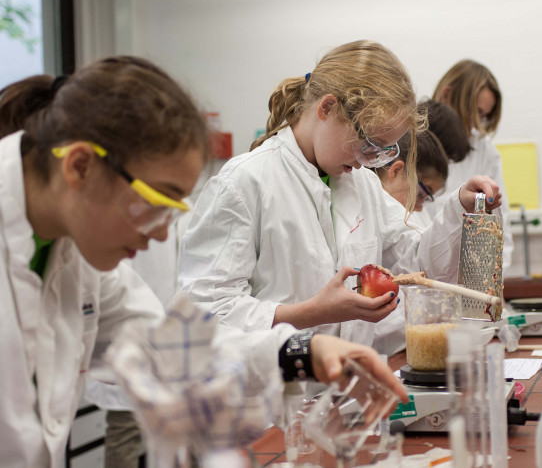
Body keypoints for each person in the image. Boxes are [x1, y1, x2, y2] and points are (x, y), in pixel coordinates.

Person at [0, 56, 407, 467]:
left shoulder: (77, 253)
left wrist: (302, 352)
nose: (162, 235)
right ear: (80, 166)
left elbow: (172, 347)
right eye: (156, 203)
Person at [177, 40, 502, 353]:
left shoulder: (361, 185)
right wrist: (311, 313)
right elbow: (203, 314)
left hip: (347, 390)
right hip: (278, 395)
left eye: (382, 151)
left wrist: (458, 205)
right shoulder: (246, 182)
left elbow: (415, 267)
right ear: (328, 107)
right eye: (368, 143)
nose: (367, 160)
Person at [425, 59, 515, 272]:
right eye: (474, 112)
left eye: (483, 117)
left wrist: (496, 281)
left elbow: (500, 225)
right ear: (446, 95)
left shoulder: (483, 150)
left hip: (465, 278)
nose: (476, 124)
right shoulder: (409, 142)